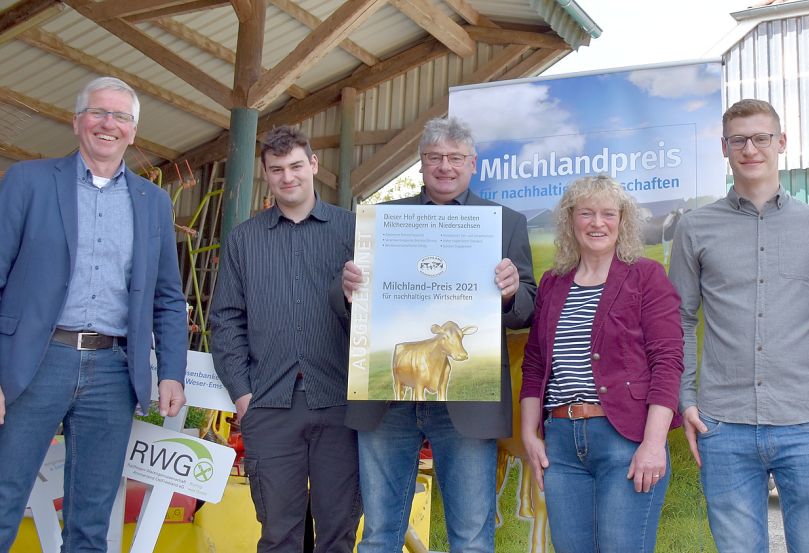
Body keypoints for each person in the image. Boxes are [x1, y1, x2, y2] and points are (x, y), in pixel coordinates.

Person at [0, 76, 187, 552]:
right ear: (76, 120)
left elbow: (168, 296)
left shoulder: (153, 202)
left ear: (133, 131)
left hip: (112, 371)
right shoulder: (28, 181)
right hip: (36, 363)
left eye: (121, 117)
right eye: (99, 113)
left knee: (91, 521)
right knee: (3, 500)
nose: (109, 124)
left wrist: (171, 373)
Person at [338, 116, 536, 553]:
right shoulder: (383, 222)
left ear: (473, 163)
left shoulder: (505, 223)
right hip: (388, 401)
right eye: (434, 158)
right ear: (421, 163)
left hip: (468, 403)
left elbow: (527, 310)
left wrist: (510, 293)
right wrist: (349, 292)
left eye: (455, 158)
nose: (445, 167)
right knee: (377, 536)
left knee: (470, 538)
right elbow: (348, 307)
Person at [667, 99, 809, 553]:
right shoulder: (695, 228)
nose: (751, 149)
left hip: (806, 421)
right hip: (723, 424)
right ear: (724, 148)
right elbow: (680, 320)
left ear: (781, 143)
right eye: (739, 140)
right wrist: (686, 398)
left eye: (761, 137)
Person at [210, 126, 360, 553]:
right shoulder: (244, 239)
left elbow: (378, 313)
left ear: (313, 165)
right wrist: (243, 395)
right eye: (277, 169)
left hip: (340, 403)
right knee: (278, 535)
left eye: (296, 166)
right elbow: (226, 321)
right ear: (266, 174)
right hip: (270, 406)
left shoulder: (353, 232)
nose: (288, 177)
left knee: (338, 533)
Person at [518, 175, 683, 553]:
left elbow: (668, 361)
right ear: (570, 220)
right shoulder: (552, 283)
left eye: (608, 214)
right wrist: (530, 434)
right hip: (560, 443)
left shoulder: (646, 276)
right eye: (586, 213)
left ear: (622, 221)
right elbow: (535, 363)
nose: (597, 223)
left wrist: (654, 444)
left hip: (625, 441)